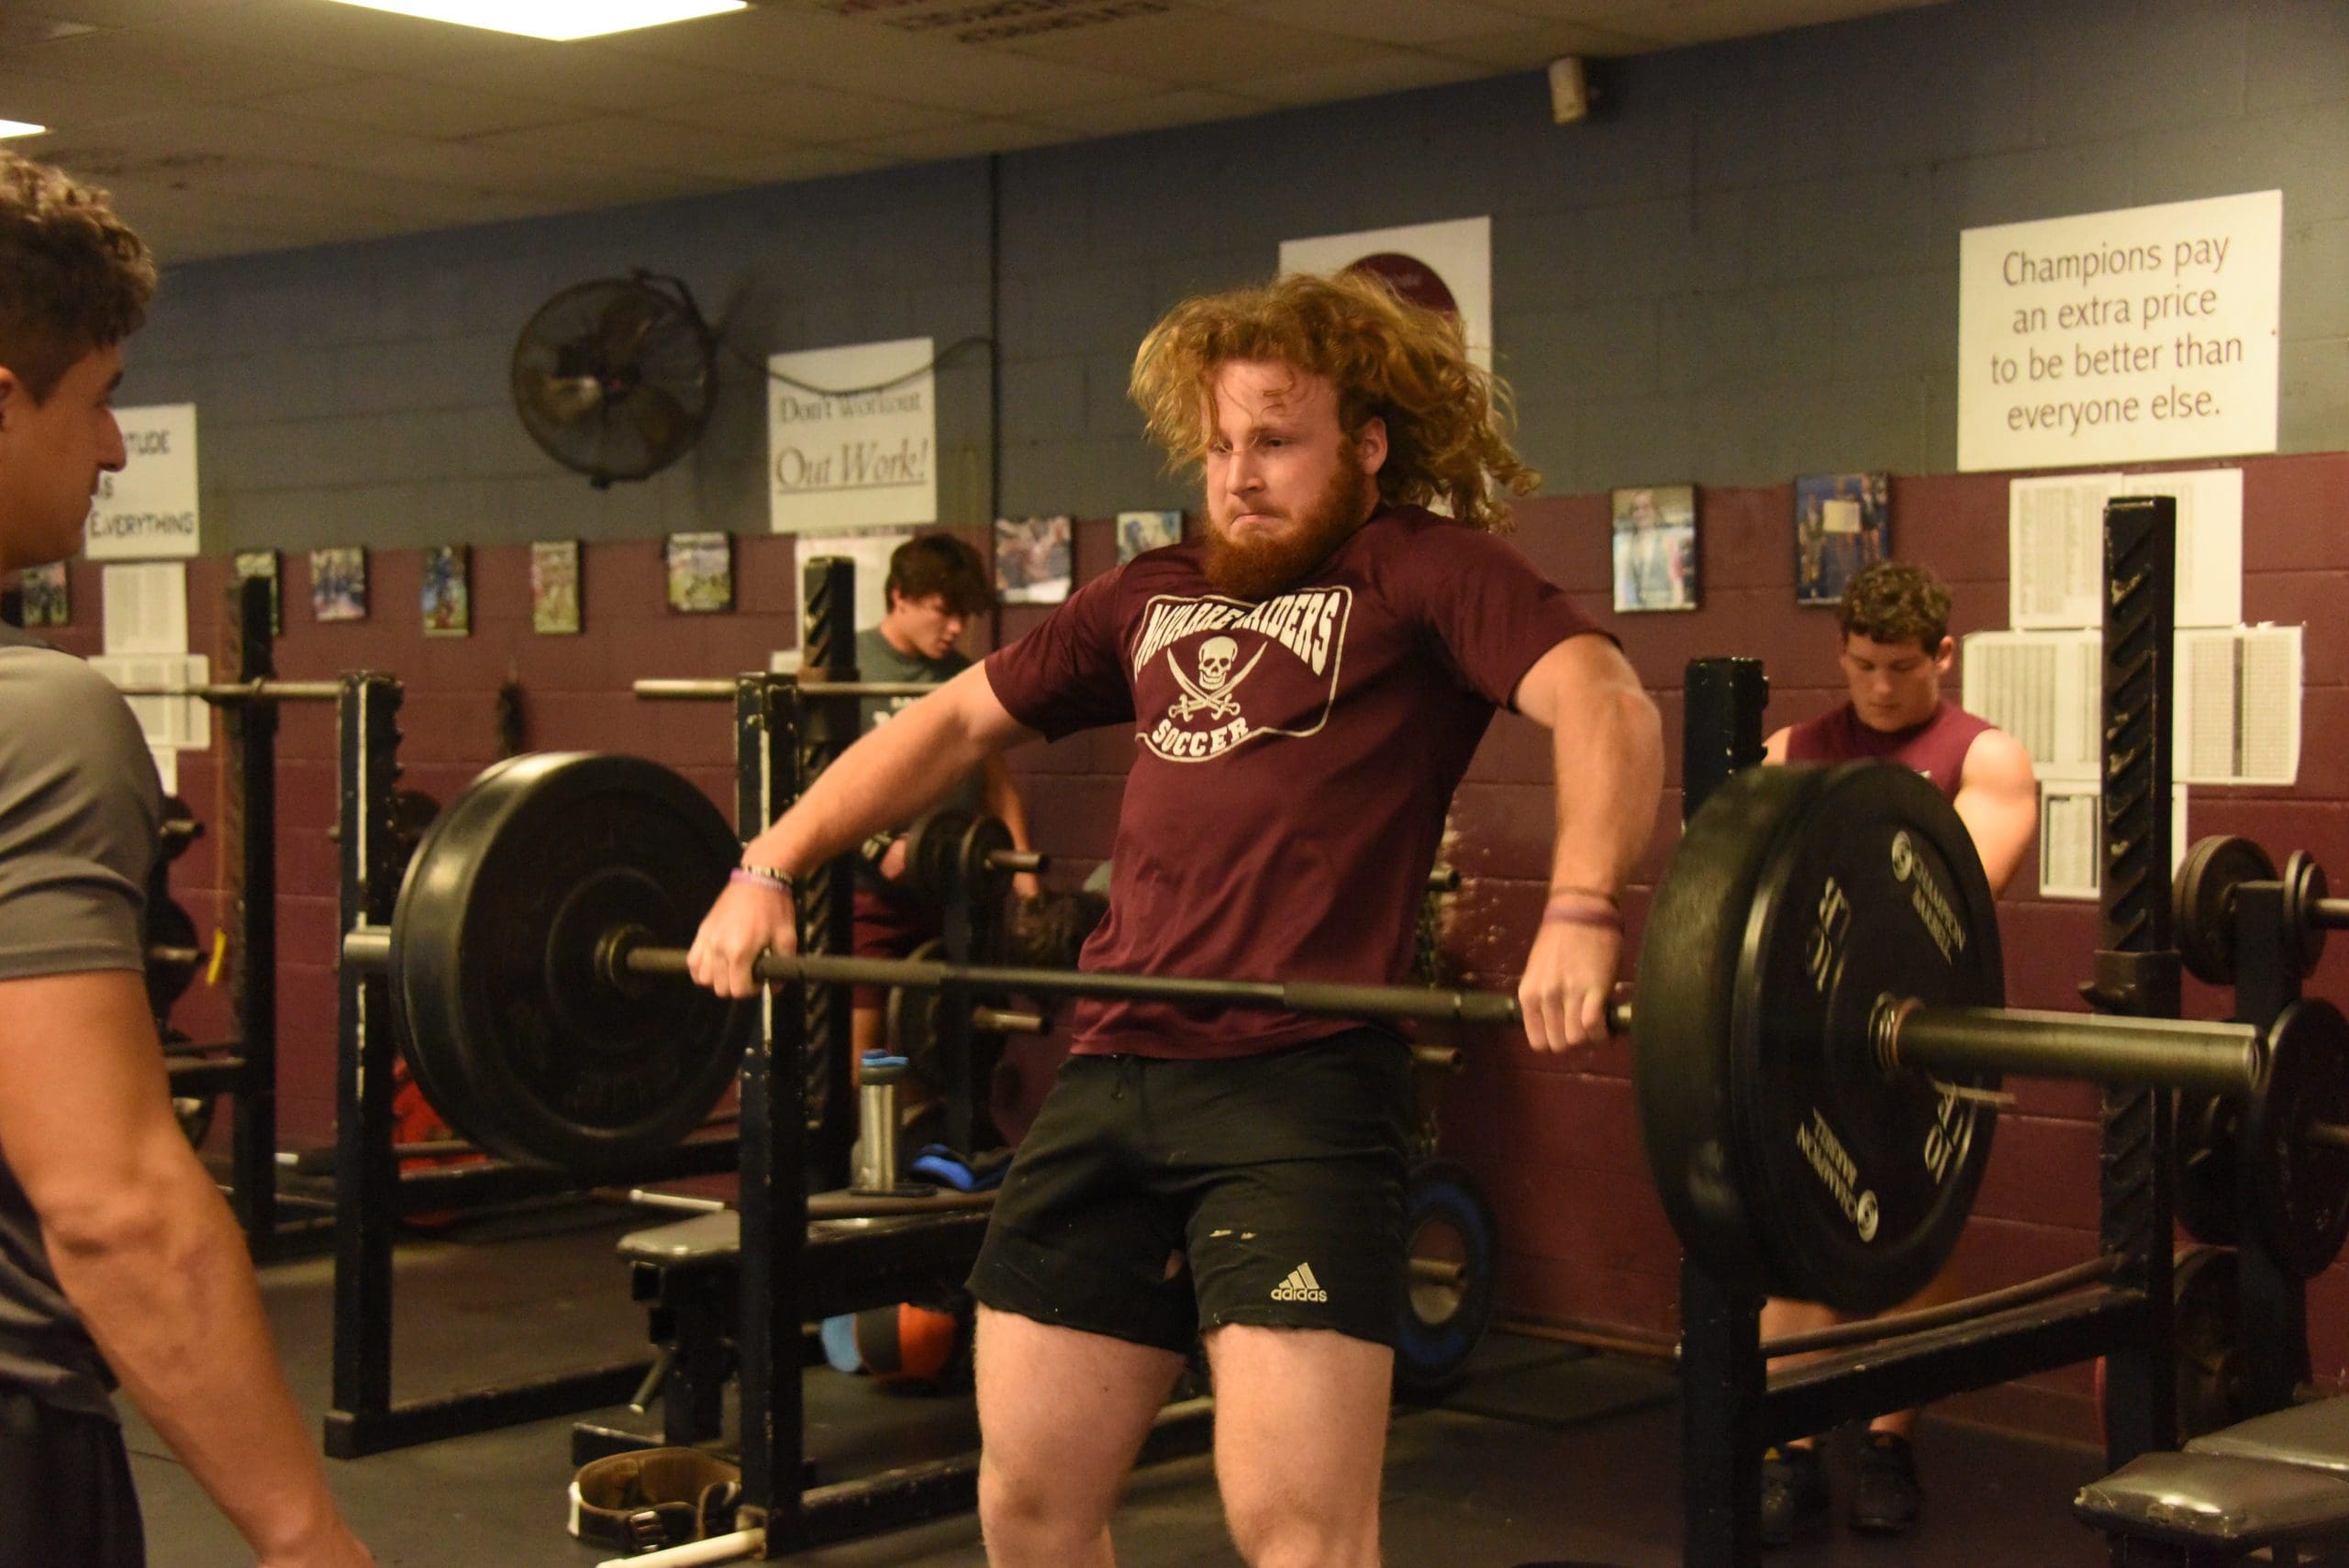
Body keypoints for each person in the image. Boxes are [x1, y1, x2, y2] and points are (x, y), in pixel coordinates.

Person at [690, 268, 1662, 1567]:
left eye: (1277, 441)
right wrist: (769, 863)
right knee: (1028, 1509)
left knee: (1299, 1535)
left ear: (1368, 446)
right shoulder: (1151, 590)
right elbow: (956, 721)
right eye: (1219, 445)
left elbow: (1605, 700)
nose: (1239, 476)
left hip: (1301, 1088)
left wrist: (1584, 905)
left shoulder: (1425, 571)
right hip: (1110, 1070)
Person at [0, 153, 373, 1567]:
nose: (112, 451)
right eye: (96, 399)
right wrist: (303, 1533)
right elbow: (114, 1208)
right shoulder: (36, 721)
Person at [1755, 559, 2038, 1546]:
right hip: (1806, 1036)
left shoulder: (1985, 758)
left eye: (1903, 666)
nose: (1880, 686)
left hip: (1921, 1037)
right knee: (1795, 1239)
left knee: (1911, 1237)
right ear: (1841, 653)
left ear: (1942, 655)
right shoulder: (1788, 750)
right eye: (1864, 664)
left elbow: (1943, 911)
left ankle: (1887, 1445)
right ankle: (1790, 1451)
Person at [846, 533, 1042, 1089]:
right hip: (869, 896)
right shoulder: (847, 666)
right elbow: (815, 782)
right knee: (866, 1051)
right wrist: (877, 849)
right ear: (899, 596)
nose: (956, 628)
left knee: (940, 1039)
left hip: (947, 893)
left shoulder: (961, 677)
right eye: (943, 612)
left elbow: (998, 788)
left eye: (964, 616)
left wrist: (1029, 892)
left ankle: (924, 1135)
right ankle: (868, 1138)